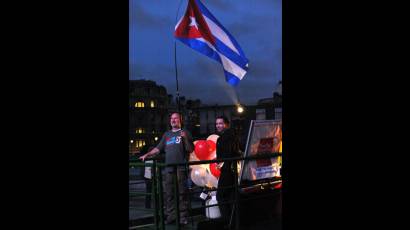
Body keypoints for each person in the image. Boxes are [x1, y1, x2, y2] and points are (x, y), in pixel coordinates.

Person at [139, 112, 194, 225]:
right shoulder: (167, 134)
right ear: (170, 121)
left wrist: (185, 138)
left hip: (180, 168)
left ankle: (182, 217)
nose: (173, 120)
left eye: (176, 118)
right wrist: (147, 155)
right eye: (172, 119)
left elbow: (190, 149)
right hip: (169, 169)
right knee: (169, 194)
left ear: (180, 120)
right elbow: (158, 149)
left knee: (182, 193)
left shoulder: (185, 133)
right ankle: (171, 216)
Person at [215, 115, 241, 228]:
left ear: (226, 124)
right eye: (217, 124)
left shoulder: (224, 137)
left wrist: (220, 163)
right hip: (233, 169)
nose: (218, 125)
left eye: (220, 123)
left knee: (220, 195)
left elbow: (227, 153)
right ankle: (233, 222)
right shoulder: (233, 135)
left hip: (227, 169)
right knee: (230, 196)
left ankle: (227, 221)